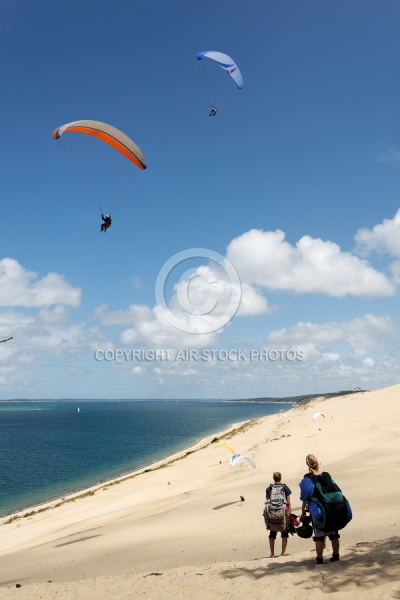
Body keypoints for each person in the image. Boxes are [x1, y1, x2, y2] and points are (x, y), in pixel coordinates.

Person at [300, 454, 340, 565]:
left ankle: (319, 559)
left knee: (319, 536)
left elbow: (305, 496)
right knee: (333, 534)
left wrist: (303, 511)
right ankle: (336, 556)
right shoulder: (326, 475)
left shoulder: (307, 477)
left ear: (308, 465)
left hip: (317, 509)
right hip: (331, 507)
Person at [265, 471, 292, 557]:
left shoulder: (269, 489)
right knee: (284, 532)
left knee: (272, 533)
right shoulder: (285, 488)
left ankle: (272, 554)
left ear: (274, 479)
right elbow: (288, 502)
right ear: (280, 478)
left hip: (272, 513)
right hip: (282, 513)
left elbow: (267, 502)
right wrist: (289, 512)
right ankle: (283, 553)